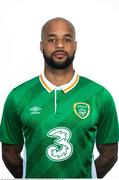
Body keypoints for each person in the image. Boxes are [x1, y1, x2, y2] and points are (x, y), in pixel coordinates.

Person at [0, 17, 119, 178]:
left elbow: (110, 154)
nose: (60, 45)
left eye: (67, 39)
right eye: (51, 39)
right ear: (41, 46)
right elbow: (9, 155)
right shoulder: (18, 96)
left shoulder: (99, 95)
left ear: (75, 46)